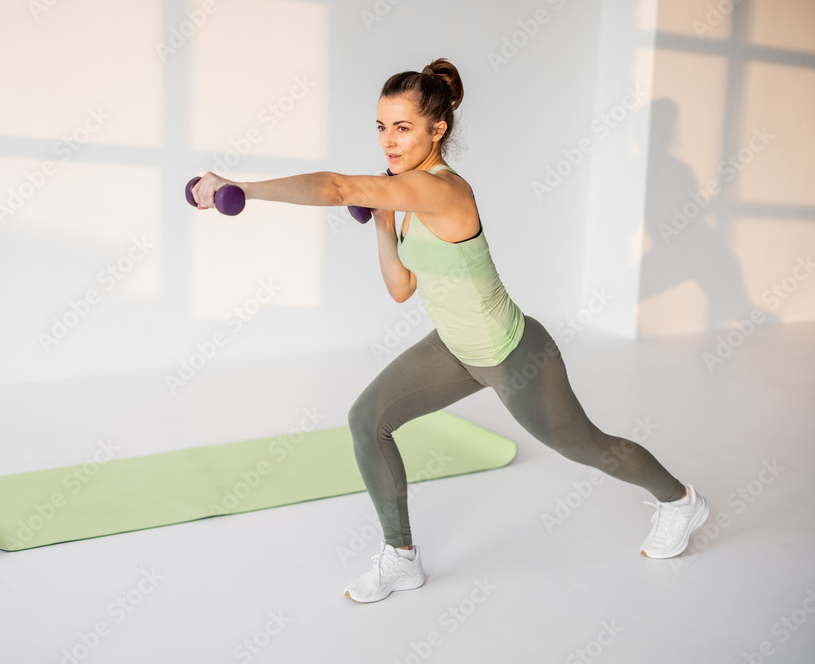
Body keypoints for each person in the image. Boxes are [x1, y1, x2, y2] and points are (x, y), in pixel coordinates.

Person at [189, 58, 710, 605]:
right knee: (367, 421)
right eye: (382, 127)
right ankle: (401, 558)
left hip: (512, 353)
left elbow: (340, 186)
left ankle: (678, 500)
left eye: (403, 128)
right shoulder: (403, 193)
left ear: (438, 129)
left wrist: (240, 187)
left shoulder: (444, 191)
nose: (389, 142)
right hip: (454, 349)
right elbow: (400, 288)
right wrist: (384, 219)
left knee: (586, 446)